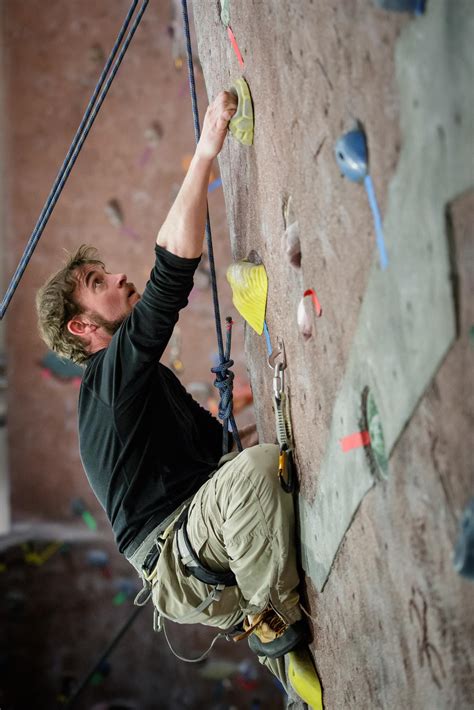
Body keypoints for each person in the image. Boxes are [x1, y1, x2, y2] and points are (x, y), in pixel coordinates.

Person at [36, 91, 308, 693]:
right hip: (178, 560)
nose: (118, 278)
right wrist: (208, 145)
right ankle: (270, 624)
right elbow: (169, 277)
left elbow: (215, 449)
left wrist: (242, 413)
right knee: (260, 473)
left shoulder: (139, 382)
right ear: (83, 327)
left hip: (197, 531)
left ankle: (269, 608)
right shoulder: (105, 384)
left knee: (269, 459)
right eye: (99, 283)